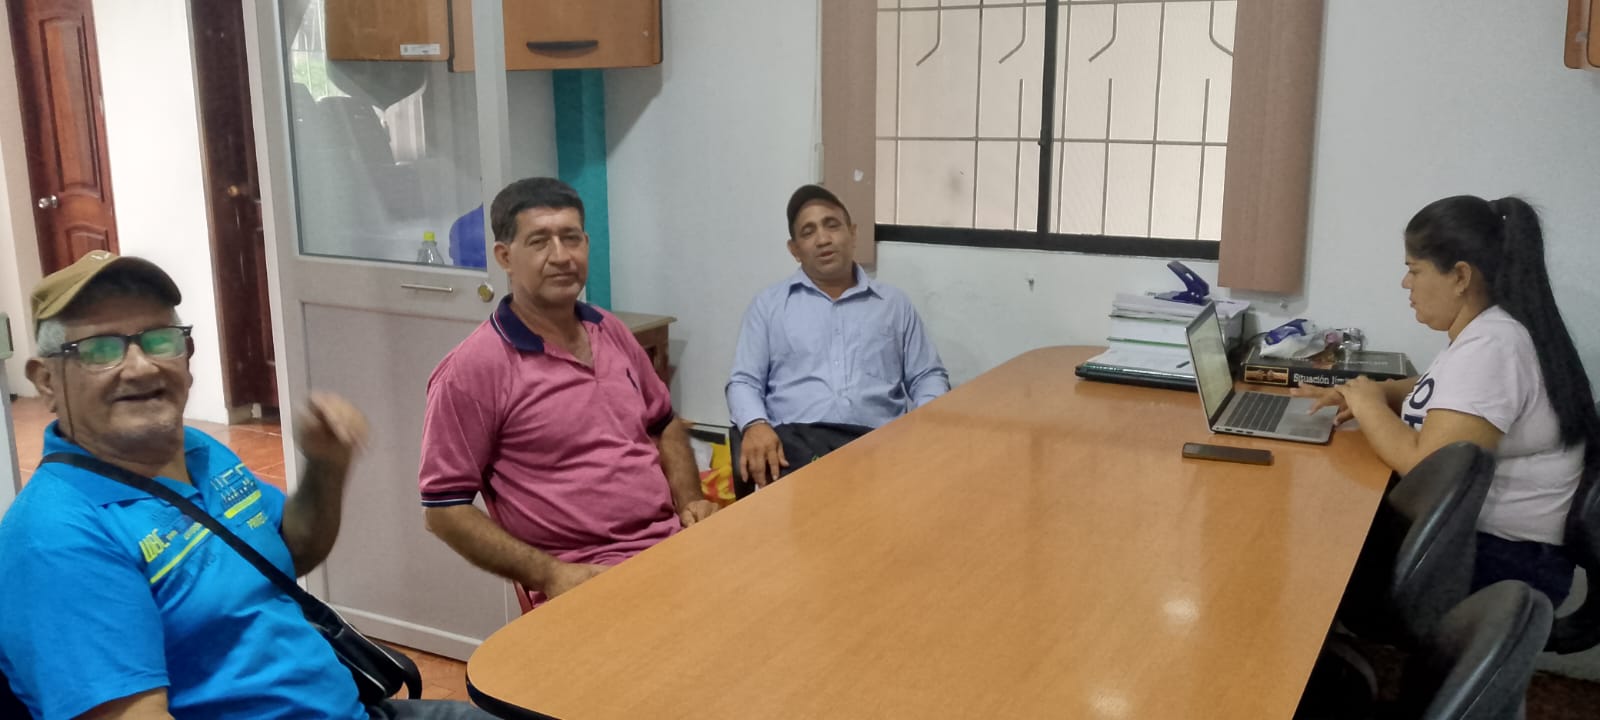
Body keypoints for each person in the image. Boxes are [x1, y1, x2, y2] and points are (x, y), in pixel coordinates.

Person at [0, 251, 491, 719]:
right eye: (100, 350)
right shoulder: (56, 537)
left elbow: (290, 553)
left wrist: (326, 466)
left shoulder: (198, 450)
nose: (142, 365)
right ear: (46, 381)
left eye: (159, 339)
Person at [419, 178, 717, 608]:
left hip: (670, 549)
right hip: (585, 580)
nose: (561, 256)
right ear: (505, 256)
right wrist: (551, 574)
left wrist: (690, 500)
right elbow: (443, 510)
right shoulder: (473, 370)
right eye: (539, 241)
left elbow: (665, 424)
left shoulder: (610, 330)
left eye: (571, 238)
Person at [1300, 196, 1599, 605]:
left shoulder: (1494, 346)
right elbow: (1440, 389)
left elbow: (1431, 471)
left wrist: (1369, 405)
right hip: (1484, 544)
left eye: (1414, 270)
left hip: (1502, 562)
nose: (1405, 284)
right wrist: (1375, 391)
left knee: (1319, 546)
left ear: (1460, 276)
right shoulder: (1492, 331)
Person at [727, 184, 950, 490]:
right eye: (808, 232)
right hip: (796, 455)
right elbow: (743, 382)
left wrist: (923, 423)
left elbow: (927, 375)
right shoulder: (768, 306)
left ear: (853, 233)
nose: (823, 239)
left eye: (832, 225)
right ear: (794, 250)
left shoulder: (893, 304)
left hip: (879, 449)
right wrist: (755, 424)